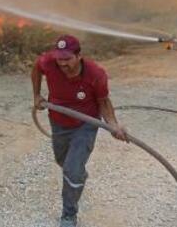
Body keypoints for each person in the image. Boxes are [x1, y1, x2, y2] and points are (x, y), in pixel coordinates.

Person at [32, 34, 128, 227]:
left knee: (71, 169)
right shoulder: (49, 62)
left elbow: (104, 102)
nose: (62, 63)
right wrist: (36, 95)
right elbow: (36, 69)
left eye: (67, 59)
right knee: (62, 161)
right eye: (59, 59)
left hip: (85, 124)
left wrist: (113, 125)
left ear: (79, 56)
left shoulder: (95, 74)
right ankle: (77, 174)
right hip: (58, 121)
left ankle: (69, 215)